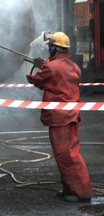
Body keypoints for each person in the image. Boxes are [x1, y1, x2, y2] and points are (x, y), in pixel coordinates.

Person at [26, 31, 93, 202]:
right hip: (72, 116)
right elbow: (55, 76)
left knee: (66, 156)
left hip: (60, 118)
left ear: (54, 48)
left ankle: (80, 193)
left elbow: (38, 81)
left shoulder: (52, 67)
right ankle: (69, 188)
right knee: (71, 152)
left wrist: (36, 70)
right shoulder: (74, 67)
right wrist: (46, 64)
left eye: (51, 47)